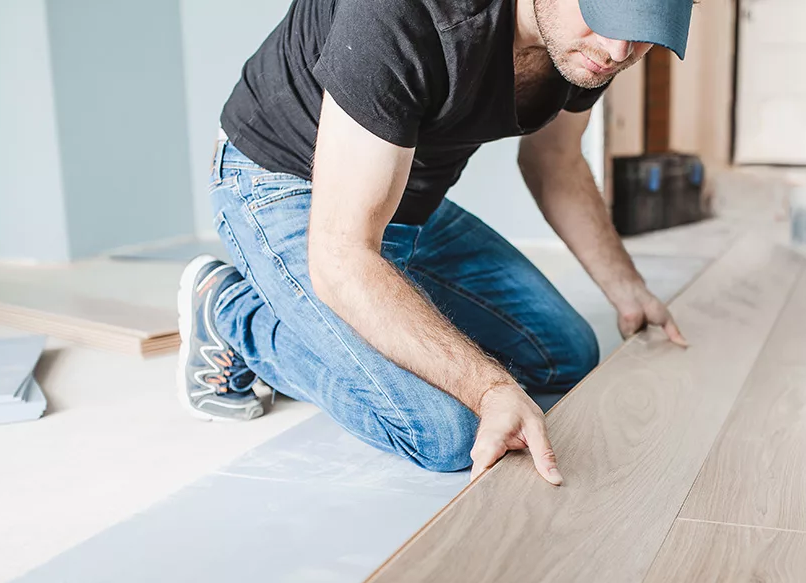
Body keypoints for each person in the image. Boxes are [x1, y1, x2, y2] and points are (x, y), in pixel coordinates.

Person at [177, 0, 693, 485]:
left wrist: (628, 288)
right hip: (287, 184)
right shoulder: (403, 12)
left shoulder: (588, 47)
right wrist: (488, 387)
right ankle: (229, 309)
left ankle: (371, 298)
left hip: (400, 198)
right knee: (446, 432)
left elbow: (554, 162)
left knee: (568, 354)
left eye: (643, 30)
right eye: (605, 12)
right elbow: (342, 254)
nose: (619, 51)